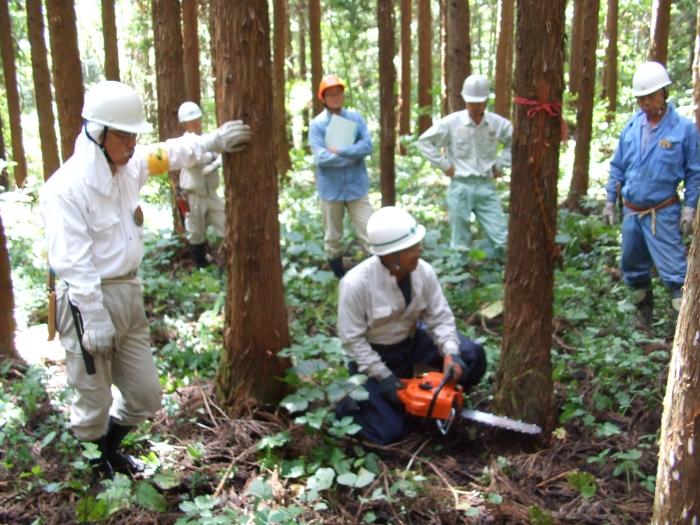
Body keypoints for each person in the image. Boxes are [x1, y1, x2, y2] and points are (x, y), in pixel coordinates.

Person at [39, 81, 251, 479]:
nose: (133, 144)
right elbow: (71, 259)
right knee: (93, 397)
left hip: (128, 294)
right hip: (88, 302)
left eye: (135, 135)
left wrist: (213, 141)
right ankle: (95, 474)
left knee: (144, 395)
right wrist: (93, 315)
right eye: (124, 135)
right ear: (97, 133)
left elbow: (169, 153)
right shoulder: (66, 188)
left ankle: (109, 449)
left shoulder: (130, 166)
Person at [337, 206, 487, 445]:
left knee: (473, 355)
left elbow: (439, 317)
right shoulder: (356, 284)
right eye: (411, 248)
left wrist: (450, 353)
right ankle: (350, 405)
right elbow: (353, 341)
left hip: (412, 343)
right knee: (390, 432)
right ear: (391, 255)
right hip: (375, 356)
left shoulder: (423, 271)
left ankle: (437, 401)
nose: (419, 251)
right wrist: (384, 378)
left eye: (417, 245)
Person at [602, 61, 700, 328]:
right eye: (641, 98)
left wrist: (690, 208)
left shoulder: (684, 129)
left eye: (650, 96)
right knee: (632, 266)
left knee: (675, 271)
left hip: (663, 211)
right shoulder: (632, 128)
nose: (645, 103)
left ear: (663, 94)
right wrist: (610, 201)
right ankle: (642, 315)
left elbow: (694, 172)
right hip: (632, 211)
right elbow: (618, 166)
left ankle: (686, 327)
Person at [416, 74, 512, 256]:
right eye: (471, 103)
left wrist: (501, 164)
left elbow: (515, 140)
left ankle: (506, 273)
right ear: (465, 100)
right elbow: (424, 142)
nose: (475, 107)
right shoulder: (452, 123)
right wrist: (444, 165)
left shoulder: (496, 123)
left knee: (501, 236)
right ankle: (461, 277)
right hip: (460, 186)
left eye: (479, 103)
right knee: (459, 240)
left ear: (486, 101)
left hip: (486, 185)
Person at [309, 74, 374, 278]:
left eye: (338, 93)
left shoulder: (355, 118)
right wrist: (352, 155)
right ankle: (339, 278)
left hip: (356, 187)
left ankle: (376, 274)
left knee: (369, 231)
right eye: (330, 95)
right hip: (331, 189)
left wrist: (341, 151)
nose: (335, 98)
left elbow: (367, 146)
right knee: (333, 237)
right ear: (323, 98)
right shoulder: (317, 125)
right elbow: (321, 157)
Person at [177, 101, 225, 268]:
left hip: (211, 193)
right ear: (184, 124)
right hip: (193, 196)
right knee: (196, 232)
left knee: (225, 223)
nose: (196, 123)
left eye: (198, 119)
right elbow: (196, 161)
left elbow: (220, 155)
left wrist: (213, 162)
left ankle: (226, 258)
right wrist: (213, 158)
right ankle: (200, 266)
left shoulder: (208, 139)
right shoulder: (183, 144)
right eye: (192, 121)